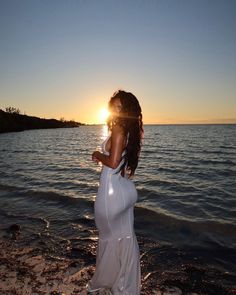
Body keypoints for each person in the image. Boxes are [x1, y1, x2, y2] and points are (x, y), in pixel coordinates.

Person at [86, 90, 144, 294]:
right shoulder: (129, 131)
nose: (116, 110)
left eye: (120, 107)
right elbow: (123, 165)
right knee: (124, 237)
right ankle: (125, 284)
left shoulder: (119, 129)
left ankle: (110, 281)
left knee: (108, 236)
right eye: (114, 106)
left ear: (127, 110)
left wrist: (97, 154)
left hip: (112, 192)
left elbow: (112, 162)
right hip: (123, 189)